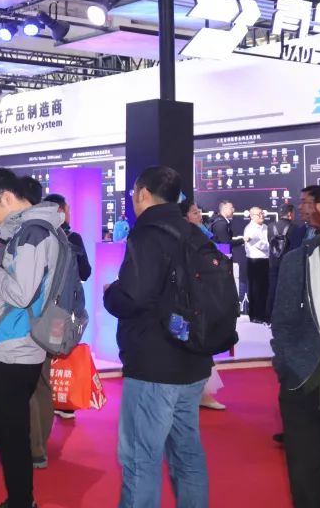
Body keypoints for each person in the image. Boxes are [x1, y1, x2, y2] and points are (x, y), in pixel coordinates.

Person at [104, 167, 213, 508]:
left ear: (143, 194)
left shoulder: (147, 234)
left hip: (154, 362)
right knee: (187, 454)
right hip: (193, 359)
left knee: (140, 458)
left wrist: (111, 293)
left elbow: (133, 296)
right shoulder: (193, 232)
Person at [0, 167, 64, 508]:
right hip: (21, 343)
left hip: (15, 347)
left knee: (9, 433)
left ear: (6, 197)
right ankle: (21, 500)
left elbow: (21, 294)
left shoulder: (31, 234)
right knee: (9, 432)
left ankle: (21, 501)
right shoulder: (38, 230)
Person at [272, 169, 320, 508]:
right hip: (306, 388)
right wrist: (290, 369)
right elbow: (282, 323)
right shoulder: (299, 260)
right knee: (309, 491)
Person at [38, 194, 92, 429]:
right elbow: (85, 272)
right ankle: (65, 401)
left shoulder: (38, 235)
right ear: (60, 210)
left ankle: (44, 401)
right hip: (66, 306)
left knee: (43, 356)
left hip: (41, 307)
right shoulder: (73, 238)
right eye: (67, 209)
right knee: (63, 348)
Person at [180, 199, 226, 411]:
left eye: (199, 211)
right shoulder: (186, 238)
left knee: (200, 345)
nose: (199, 215)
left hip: (202, 300)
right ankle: (198, 393)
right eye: (194, 212)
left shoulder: (202, 236)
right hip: (189, 302)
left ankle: (202, 393)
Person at [244, 207, 271, 323]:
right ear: (251, 216)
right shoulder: (250, 229)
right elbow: (261, 245)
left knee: (265, 289)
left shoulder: (265, 227)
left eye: (262, 213)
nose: (262, 216)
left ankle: (263, 314)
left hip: (266, 260)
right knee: (255, 289)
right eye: (258, 214)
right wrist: (271, 246)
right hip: (254, 261)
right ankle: (255, 315)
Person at [269, 203, 295, 321]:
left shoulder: (270, 227)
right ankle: (285, 316)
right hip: (289, 264)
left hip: (273, 262)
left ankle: (270, 316)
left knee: (273, 289)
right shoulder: (295, 228)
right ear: (289, 213)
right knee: (288, 290)